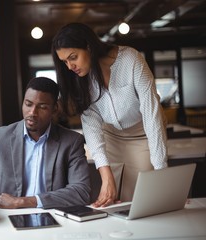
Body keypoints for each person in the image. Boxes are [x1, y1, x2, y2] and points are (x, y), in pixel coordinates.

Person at [51, 23, 168, 207]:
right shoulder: (80, 80)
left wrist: (162, 173)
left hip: (142, 133)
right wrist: (105, 176)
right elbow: (91, 127)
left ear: (88, 46)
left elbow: (152, 115)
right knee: (114, 197)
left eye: (73, 57)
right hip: (111, 136)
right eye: (64, 61)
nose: (70, 66)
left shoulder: (131, 60)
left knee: (145, 199)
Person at [0, 77, 91, 209]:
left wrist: (23, 202)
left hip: (51, 216)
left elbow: (81, 192)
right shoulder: (0, 138)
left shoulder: (71, 142)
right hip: (8, 219)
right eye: (28, 104)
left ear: (55, 109)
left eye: (42, 107)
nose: (32, 112)